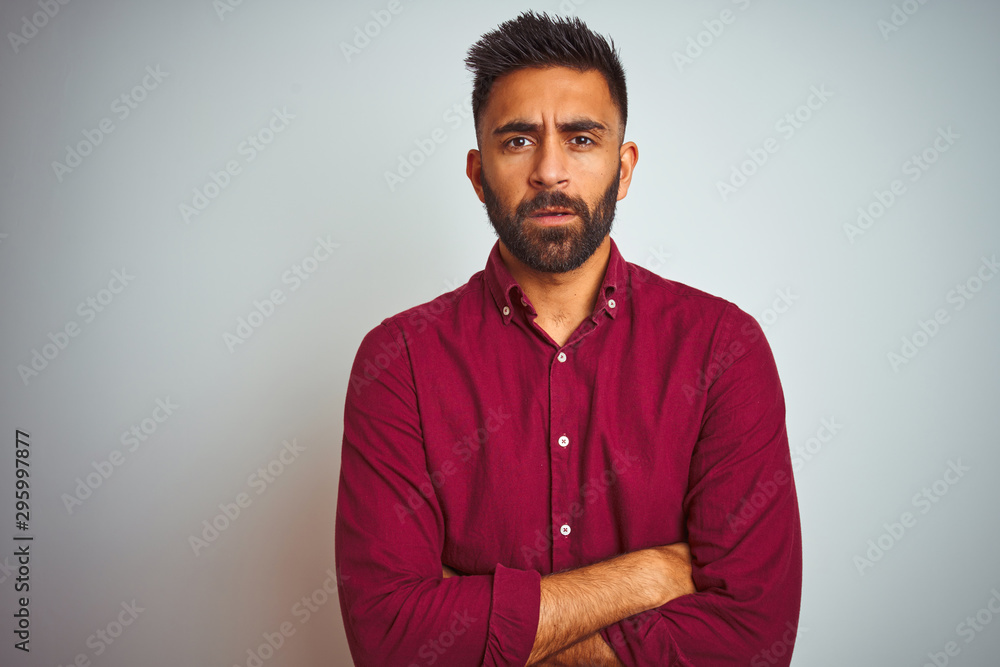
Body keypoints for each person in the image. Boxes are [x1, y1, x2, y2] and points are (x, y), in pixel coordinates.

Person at [336, 10, 801, 667]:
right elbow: (391, 642)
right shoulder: (398, 363)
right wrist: (644, 577)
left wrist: (478, 625)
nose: (550, 171)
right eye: (518, 141)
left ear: (624, 167)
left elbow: (753, 640)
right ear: (477, 173)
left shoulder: (724, 350)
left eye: (581, 139)